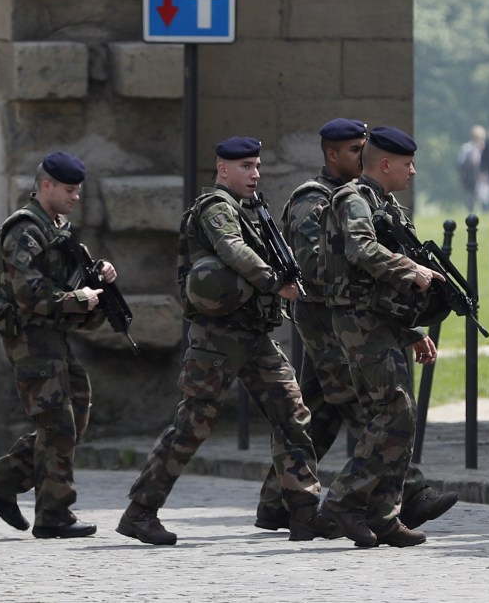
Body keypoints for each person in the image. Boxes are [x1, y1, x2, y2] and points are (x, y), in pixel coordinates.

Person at [116, 136, 337, 546]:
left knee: (292, 413)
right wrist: (275, 282)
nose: (254, 174)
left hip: (253, 335)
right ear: (223, 169)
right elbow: (232, 250)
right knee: (193, 424)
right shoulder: (216, 208)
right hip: (216, 339)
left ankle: (304, 512)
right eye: (245, 166)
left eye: (256, 165)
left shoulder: (255, 210)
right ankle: (140, 512)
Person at [253, 118, 458, 535]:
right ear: (332, 154)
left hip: (355, 317)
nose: (360, 155)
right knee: (374, 406)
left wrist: (412, 326)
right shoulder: (315, 200)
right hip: (328, 320)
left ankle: (280, 502)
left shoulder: (370, 200)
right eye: (353, 150)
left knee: (319, 412)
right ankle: (399, 495)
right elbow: (317, 269)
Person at [318, 126, 445, 548]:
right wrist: (414, 272)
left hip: (382, 320)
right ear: (385, 164)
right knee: (392, 409)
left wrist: (410, 331)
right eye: (407, 164)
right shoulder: (351, 199)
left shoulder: (386, 203)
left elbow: (384, 275)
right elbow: (360, 250)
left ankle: (385, 515)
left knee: (398, 415)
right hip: (357, 320)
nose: (413, 171)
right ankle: (342, 500)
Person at [0, 151, 115, 539]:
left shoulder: (55, 228)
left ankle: (1, 481)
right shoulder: (25, 229)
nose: (75, 197)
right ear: (47, 186)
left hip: (53, 337)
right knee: (57, 423)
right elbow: (28, 291)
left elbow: (64, 278)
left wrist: (97, 276)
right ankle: (54, 514)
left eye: (78, 190)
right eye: (69, 190)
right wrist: (77, 300)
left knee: (74, 415)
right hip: (30, 339)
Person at [456, 124, 489, 211]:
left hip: (483, 179)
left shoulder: (485, 149)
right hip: (470, 179)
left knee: (485, 201)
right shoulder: (467, 148)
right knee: (471, 201)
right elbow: (460, 164)